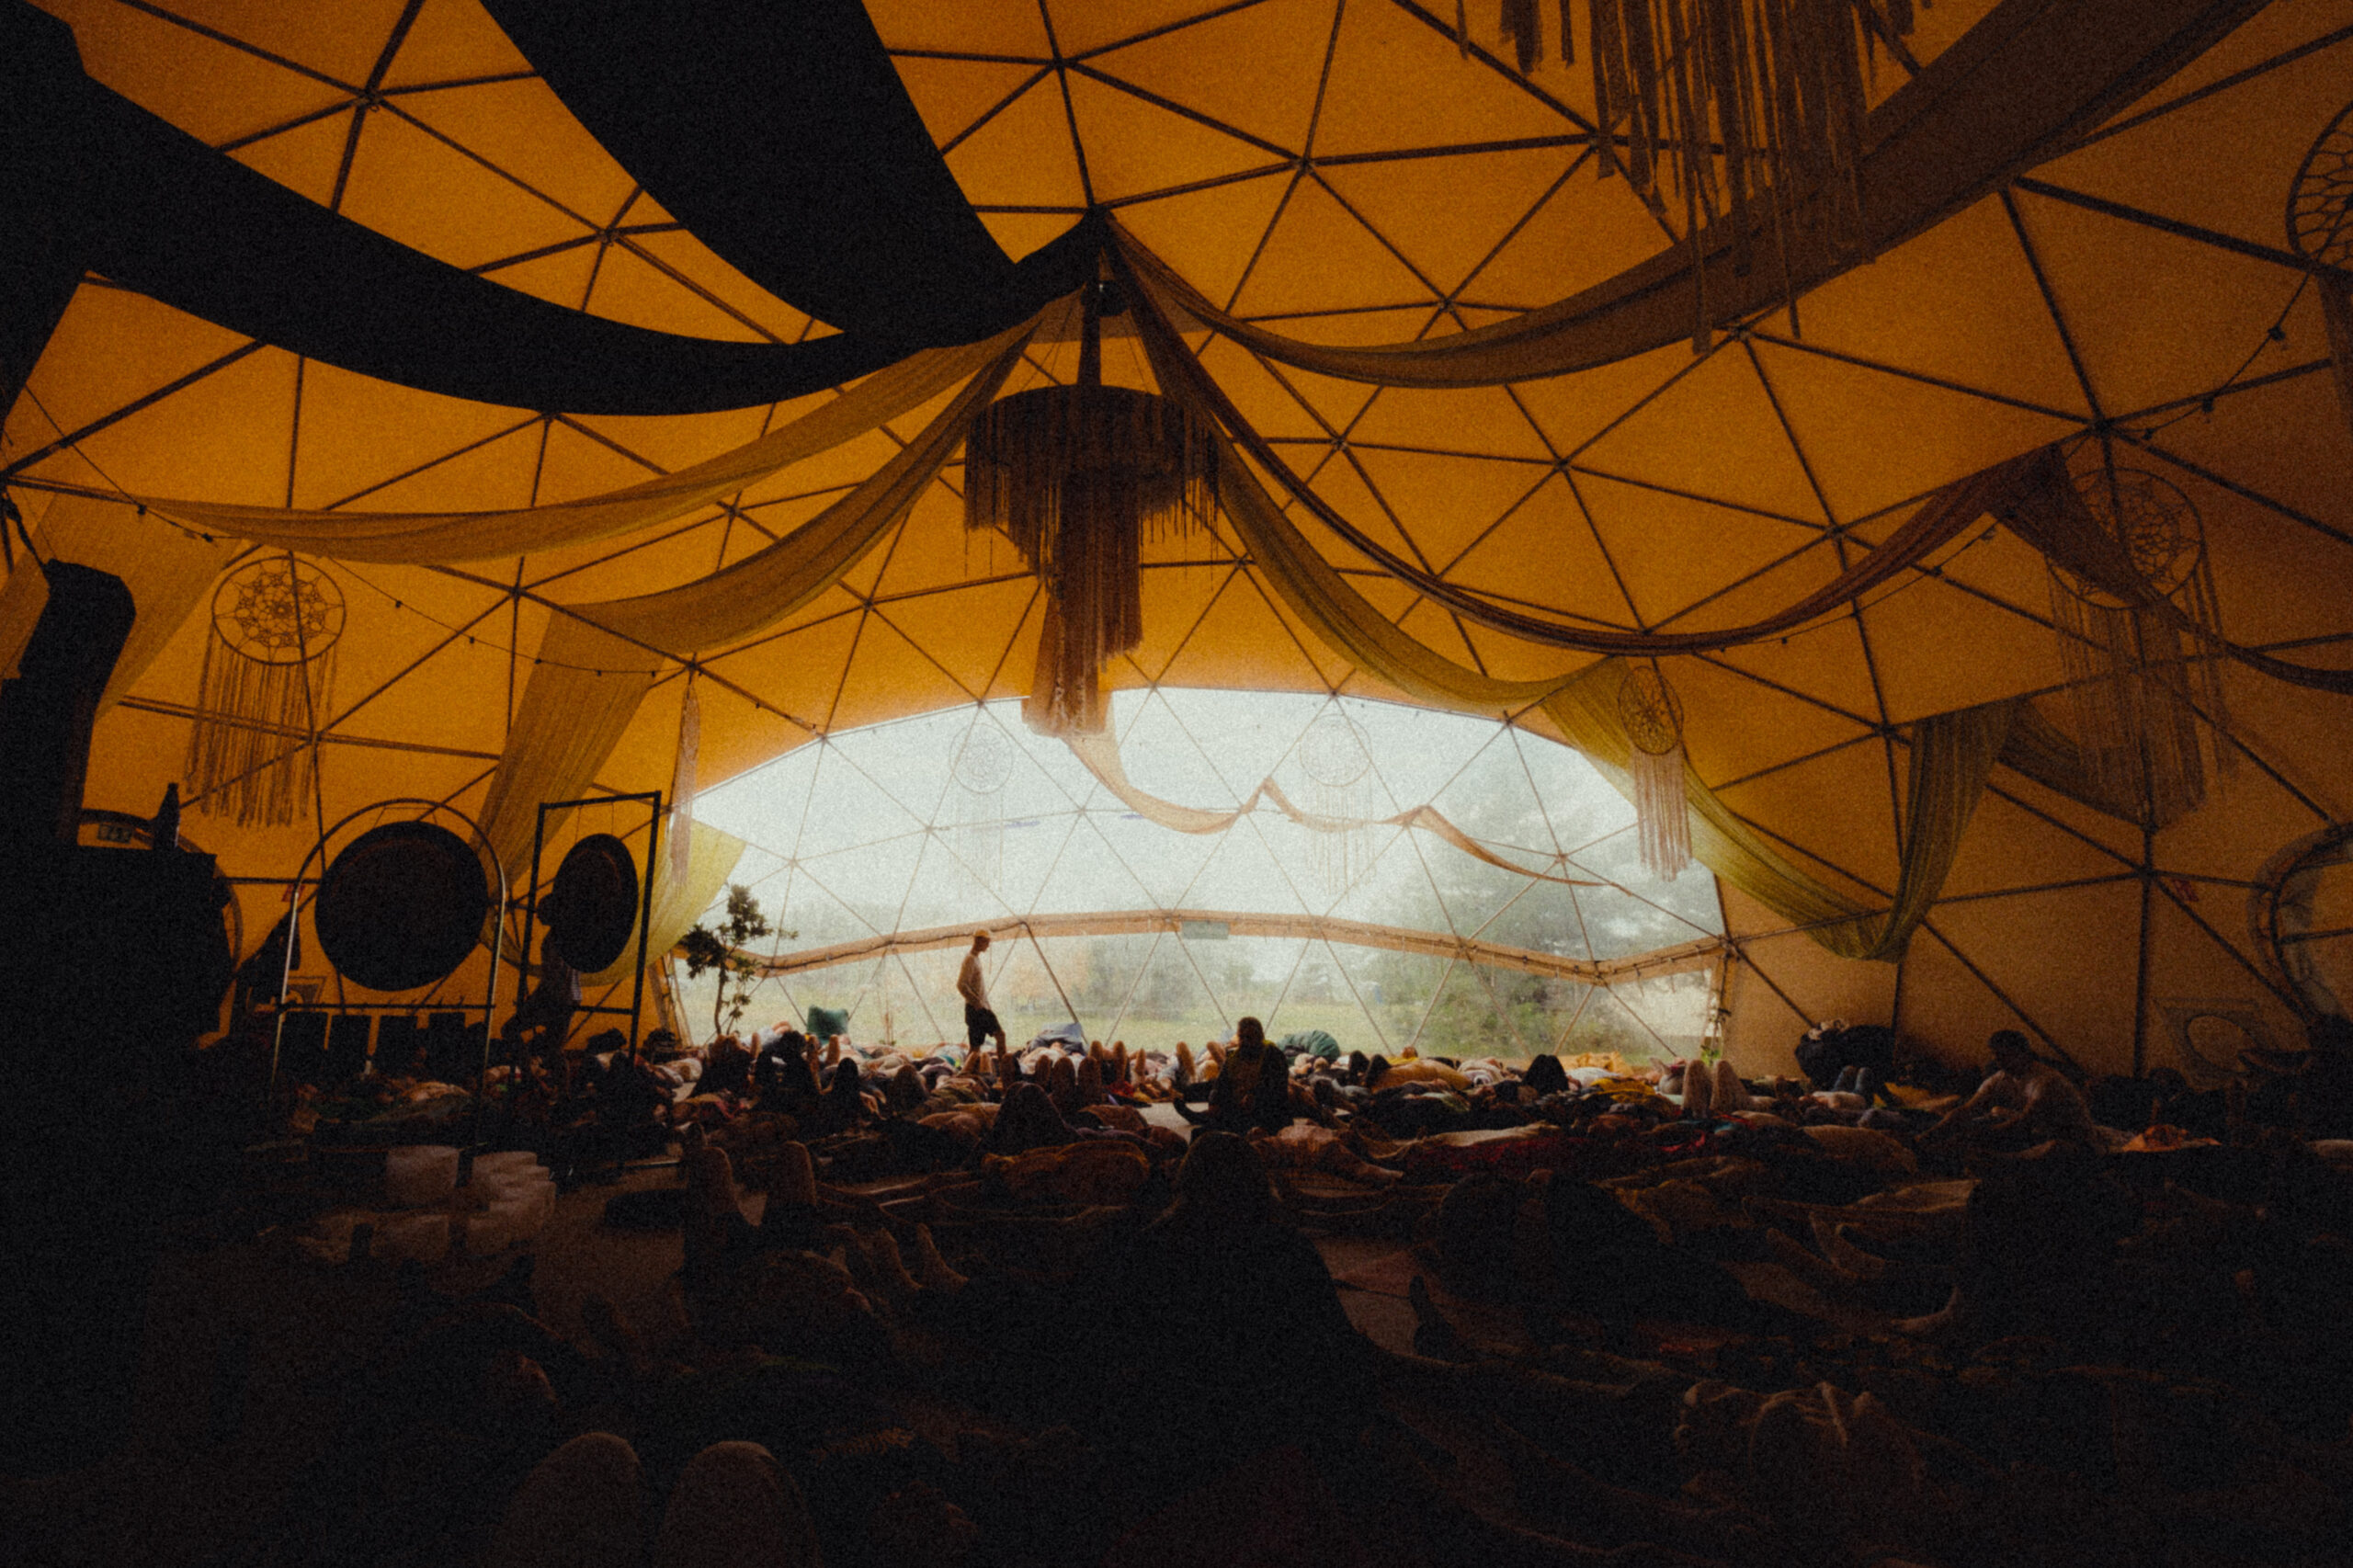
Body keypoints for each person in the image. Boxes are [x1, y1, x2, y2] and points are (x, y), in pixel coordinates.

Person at [1922, 1028, 2097, 1150]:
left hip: (2069, 1140)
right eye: (1996, 1057)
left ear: (2023, 1054)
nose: (1999, 1062)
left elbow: (2023, 1123)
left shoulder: (2046, 1081)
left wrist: (1974, 1136)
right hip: (2035, 1134)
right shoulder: (2001, 1077)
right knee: (1971, 1124)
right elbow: (1967, 1109)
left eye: (2005, 1056)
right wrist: (1929, 1134)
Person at [1173, 1016, 1291, 1135]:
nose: (1244, 1041)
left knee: (1208, 1131)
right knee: (1202, 1127)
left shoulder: (1272, 1054)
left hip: (1267, 1112)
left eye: (1249, 1037)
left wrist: (1254, 1096)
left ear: (1260, 1037)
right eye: (1241, 1037)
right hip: (1239, 1108)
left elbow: (1275, 1087)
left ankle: (1204, 1118)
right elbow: (1221, 1084)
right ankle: (1203, 1114)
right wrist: (1215, 1102)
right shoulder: (1234, 1057)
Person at [957, 930, 1006, 1060]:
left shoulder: (975, 959)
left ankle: (966, 1069)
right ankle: (1004, 1067)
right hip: (977, 1010)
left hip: (978, 1008)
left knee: (975, 1047)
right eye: (987, 942)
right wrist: (976, 1002)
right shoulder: (970, 960)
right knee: (1000, 1036)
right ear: (978, 941)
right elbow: (961, 984)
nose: (988, 946)